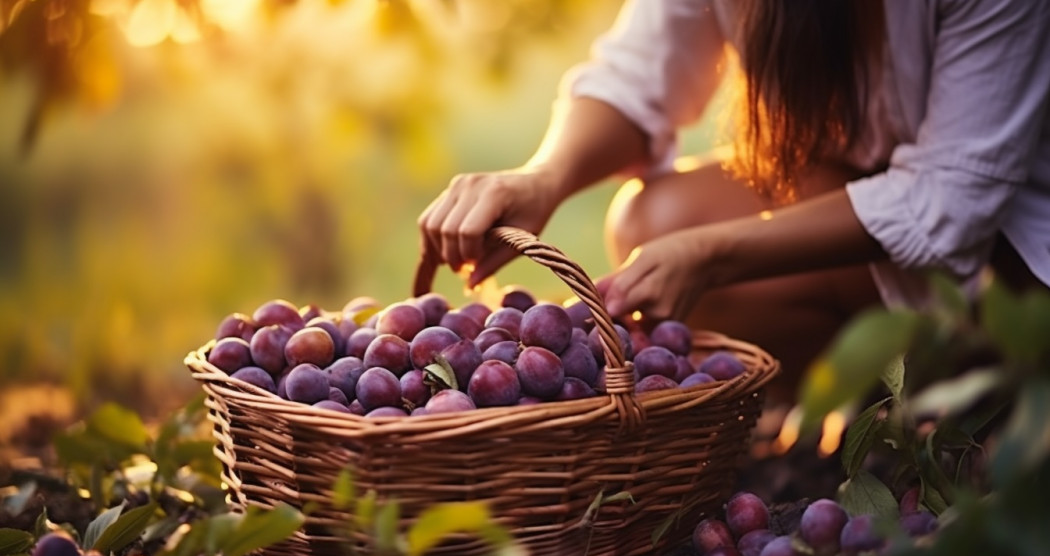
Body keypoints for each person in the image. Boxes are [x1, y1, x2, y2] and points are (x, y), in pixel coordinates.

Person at [417, 0, 1050, 405]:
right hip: (890, 214)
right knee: (653, 219)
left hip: (1016, 258)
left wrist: (713, 253)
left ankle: (993, 389)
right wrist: (542, 179)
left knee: (682, 235)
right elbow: (636, 75)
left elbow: (954, 197)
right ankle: (872, 397)